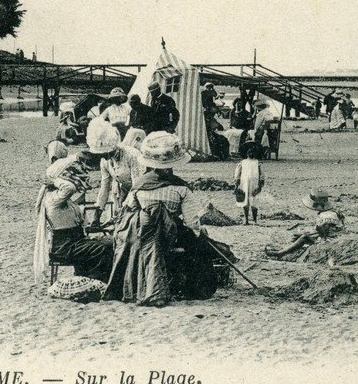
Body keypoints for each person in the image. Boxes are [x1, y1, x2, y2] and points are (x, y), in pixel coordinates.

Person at [103, 131, 221, 305]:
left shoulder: (139, 186)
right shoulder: (182, 189)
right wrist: (199, 233)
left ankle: (136, 287)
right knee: (199, 245)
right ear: (173, 165)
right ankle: (190, 287)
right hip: (170, 235)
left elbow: (129, 210)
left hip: (143, 232)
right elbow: (191, 222)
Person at [32, 123, 116, 283]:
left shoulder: (62, 198)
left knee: (110, 242)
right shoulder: (52, 198)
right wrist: (55, 181)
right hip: (64, 246)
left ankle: (97, 279)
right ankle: (96, 280)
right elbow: (69, 187)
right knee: (103, 247)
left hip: (74, 241)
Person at [265, 189, 345, 260]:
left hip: (331, 241)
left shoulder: (324, 216)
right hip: (338, 238)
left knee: (304, 238)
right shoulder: (334, 212)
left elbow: (322, 233)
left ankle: (280, 253)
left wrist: (306, 235)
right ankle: (282, 250)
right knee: (303, 236)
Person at [91, 125, 141, 228]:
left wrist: (123, 209)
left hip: (139, 190)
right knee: (117, 224)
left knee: (129, 221)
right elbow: (104, 187)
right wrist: (97, 213)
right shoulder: (104, 161)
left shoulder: (131, 156)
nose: (102, 156)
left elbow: (136, 186)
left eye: (104, 153)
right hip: (122, 188)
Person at [234, 143, 265, 225]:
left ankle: (255, 220)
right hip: (244, 184)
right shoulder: (242, 163)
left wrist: (260, 185)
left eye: (252, 152)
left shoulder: (258, 163)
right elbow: (237, 174)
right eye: (249, 152)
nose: (251, 154)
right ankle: (246, 220)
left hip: (255, 184)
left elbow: (262, 175)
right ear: (246, 154)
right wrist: (236, 185)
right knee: (245, 201)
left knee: (254, 201)